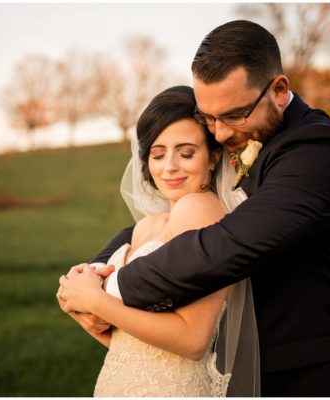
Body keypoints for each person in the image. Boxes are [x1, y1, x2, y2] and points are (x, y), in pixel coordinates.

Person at [60, 20, 330, 396]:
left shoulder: (317, 153)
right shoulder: (240, 138)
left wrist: (106, 292)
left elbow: (225, 245)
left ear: (279, 90)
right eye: (209, 118)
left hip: (306, 376)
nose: (221, 133)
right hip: (236, 369)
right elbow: (150, 233)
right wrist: (93, 270)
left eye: (234, 115)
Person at [58, 85, 260, 396]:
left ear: (212, 158)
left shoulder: (202, 209)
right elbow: (125, 339)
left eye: (186, 152)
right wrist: (82, 305)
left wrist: (95, 301)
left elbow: (194, 341)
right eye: (158, 153)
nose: (169, 167)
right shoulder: (144, 228)